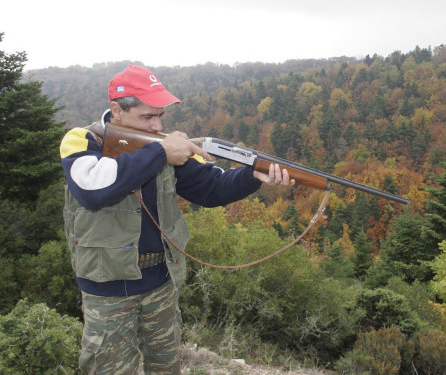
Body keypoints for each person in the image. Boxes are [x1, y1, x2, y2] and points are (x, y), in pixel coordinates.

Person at [60, 64, 294, 374]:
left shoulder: (164, 145)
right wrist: (160, 154)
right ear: (116, 110)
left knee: (167, 368)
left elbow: (211, 189)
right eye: (147, 116)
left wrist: (254, 176)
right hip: (107, 288)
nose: (157, 126)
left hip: (160, 282)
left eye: (160, 116)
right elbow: (93, 189)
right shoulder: (81, 140)